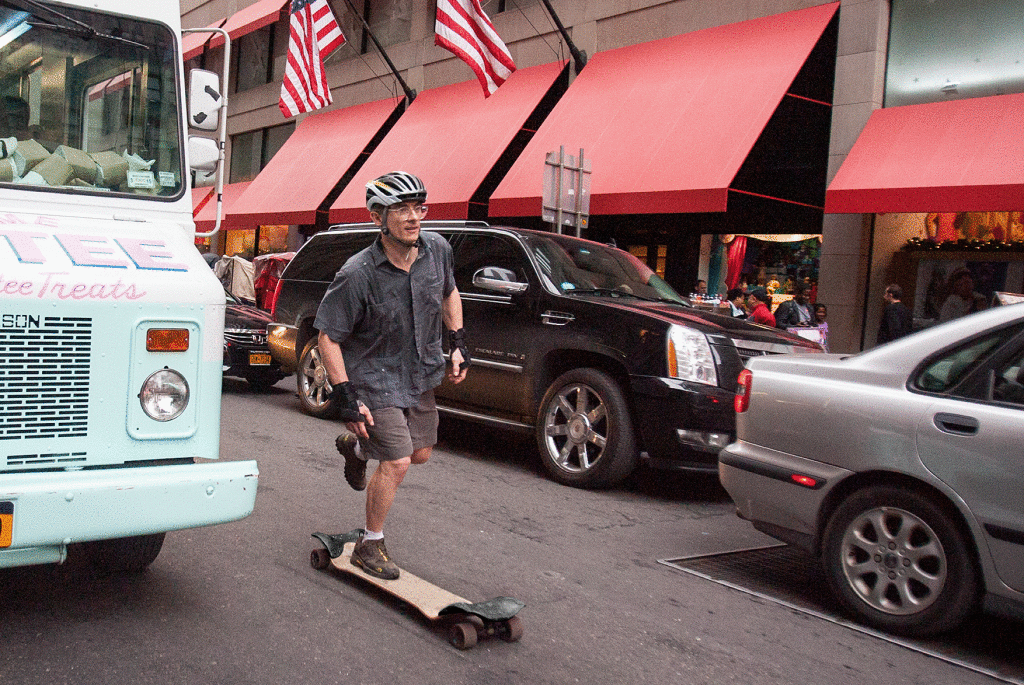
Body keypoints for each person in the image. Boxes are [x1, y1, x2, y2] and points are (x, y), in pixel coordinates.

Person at [314, 171, 469, 580]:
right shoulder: (357, 273)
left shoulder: (437, 250)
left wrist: (457, 341)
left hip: (417, 372)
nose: (413, 217)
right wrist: (345, 395)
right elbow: (328, 337)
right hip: (373, 376)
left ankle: (358, 450)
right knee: (398, 461)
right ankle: (371, 543)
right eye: (401, 209)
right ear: (376, 217)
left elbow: (450, 292)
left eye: (418, 208)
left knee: (420, 454)